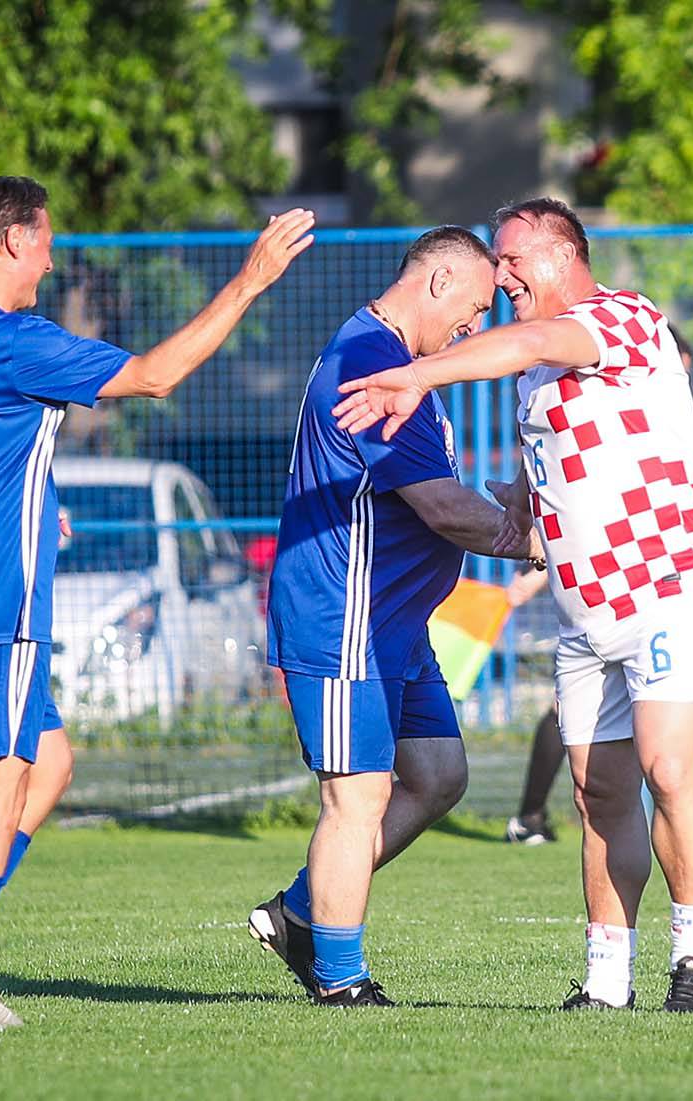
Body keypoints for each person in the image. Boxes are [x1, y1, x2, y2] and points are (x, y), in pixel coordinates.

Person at [0, 175, 314, 1032]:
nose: (50, 252)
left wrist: (22, 489)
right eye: (43, 237)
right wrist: (251, 277)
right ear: (9, 241)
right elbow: (156, 375)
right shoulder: (12, 340)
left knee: (51, 765)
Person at [334, 197, 693, 1013]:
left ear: (560, 252)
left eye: (512, 257)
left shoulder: (619, 317)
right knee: (600, 793)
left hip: (667, 586)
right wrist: (521, 502)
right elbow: (555, 460)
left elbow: (531, 338)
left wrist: (415, 373)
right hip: (584, 611)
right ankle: (607, 981)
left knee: (667, 765)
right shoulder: (536, 376)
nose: (502, 272)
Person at [247, 226, 540, 1007]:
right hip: (344, 617)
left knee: (439, 777)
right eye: (476, 307)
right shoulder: (372, 363)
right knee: (358, 797)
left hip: (395, 625)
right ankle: (340, 980)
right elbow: (444, 509)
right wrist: (541, 544)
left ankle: (301, 910)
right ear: (439, 281)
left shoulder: (400, 365)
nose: (474, 329)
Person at [504, 323, 693, 847]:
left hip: (648, 589)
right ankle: (527, 817)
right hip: (603, 590)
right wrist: (530, 571)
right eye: (675, 366)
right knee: (590, 726)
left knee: (666, 723)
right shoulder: (598, 392)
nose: (677, 378)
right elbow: (581, 492)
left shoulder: (656, 411)